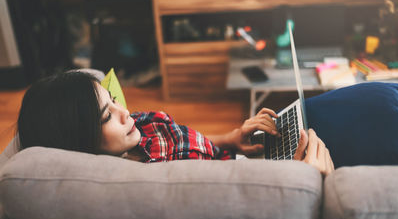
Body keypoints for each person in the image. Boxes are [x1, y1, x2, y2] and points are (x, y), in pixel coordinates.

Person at [17, 71, 334, 174]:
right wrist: (300, 179)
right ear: (79, 142)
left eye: (113, 101)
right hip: (274, 174)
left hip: (236, 153)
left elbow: (181, 139)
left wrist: (229, 138)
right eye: (107, 115)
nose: (125, 112)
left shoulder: (130, 134)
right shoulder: (153, 180)